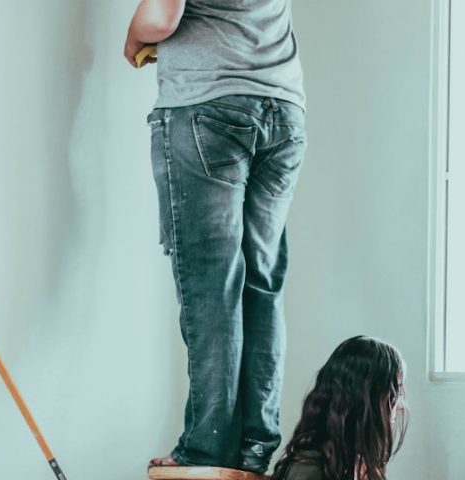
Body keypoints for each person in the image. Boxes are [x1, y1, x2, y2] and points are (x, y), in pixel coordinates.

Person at [124, 0, 307, 474]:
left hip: (207, 105)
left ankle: (206, 448)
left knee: (212, 289)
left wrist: (133, 37)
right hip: (284, 111)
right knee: (261, 288)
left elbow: (161, 17)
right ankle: (256, 445)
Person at [272, 336, 408, 480]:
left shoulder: (358, 465)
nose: (400, 407)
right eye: (395, 393)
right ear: (365, 400)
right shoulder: (309, 471)